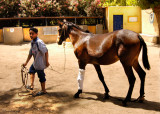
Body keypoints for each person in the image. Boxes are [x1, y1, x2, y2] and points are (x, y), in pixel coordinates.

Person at [23, 27, 49, 96]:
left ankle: (44, 91)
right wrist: (26, 62)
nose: (31, 35)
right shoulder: (32, 42)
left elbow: (46, 51)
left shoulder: (39, 42)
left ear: (37, 34)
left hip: (40, 63)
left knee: (41, 76)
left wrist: (47, 62)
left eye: (32, 34)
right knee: (31, 71)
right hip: (35, 63)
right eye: (30, 34)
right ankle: (31, 86)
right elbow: (30, 53)